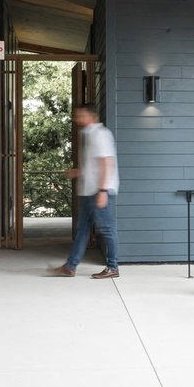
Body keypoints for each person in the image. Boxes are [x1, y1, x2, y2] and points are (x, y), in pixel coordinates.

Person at [53, 104, 120, 279]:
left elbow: (107, 162)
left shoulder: (100, 134)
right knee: (82, 230)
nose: (77, 119)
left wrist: (103, 191)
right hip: (88, 190)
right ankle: (70, 266)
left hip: (98, 190)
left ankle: (113, 267)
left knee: (106, 230)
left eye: (80, 115)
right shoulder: (88, 135)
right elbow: (94, 165)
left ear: (91, 116)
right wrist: (79, 172)